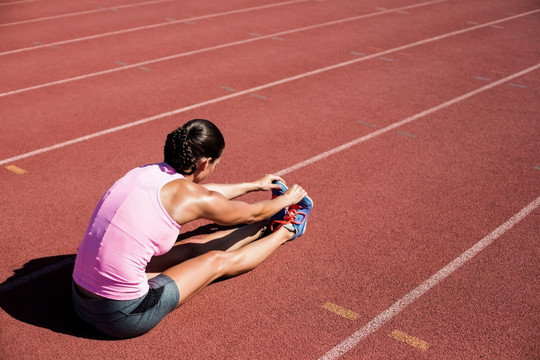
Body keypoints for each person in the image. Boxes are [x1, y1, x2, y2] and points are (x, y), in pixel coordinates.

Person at [72, 119, 313, 338]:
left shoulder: (144, 172)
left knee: (189, 249)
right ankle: (289, 229)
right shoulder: (188, 195)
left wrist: (253, 185)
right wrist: (286, 200)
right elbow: (251, 213)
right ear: (205, 163)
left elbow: (205, 195)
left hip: (80, 297)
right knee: (215, 261)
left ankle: (269, 226)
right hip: (121, 315)